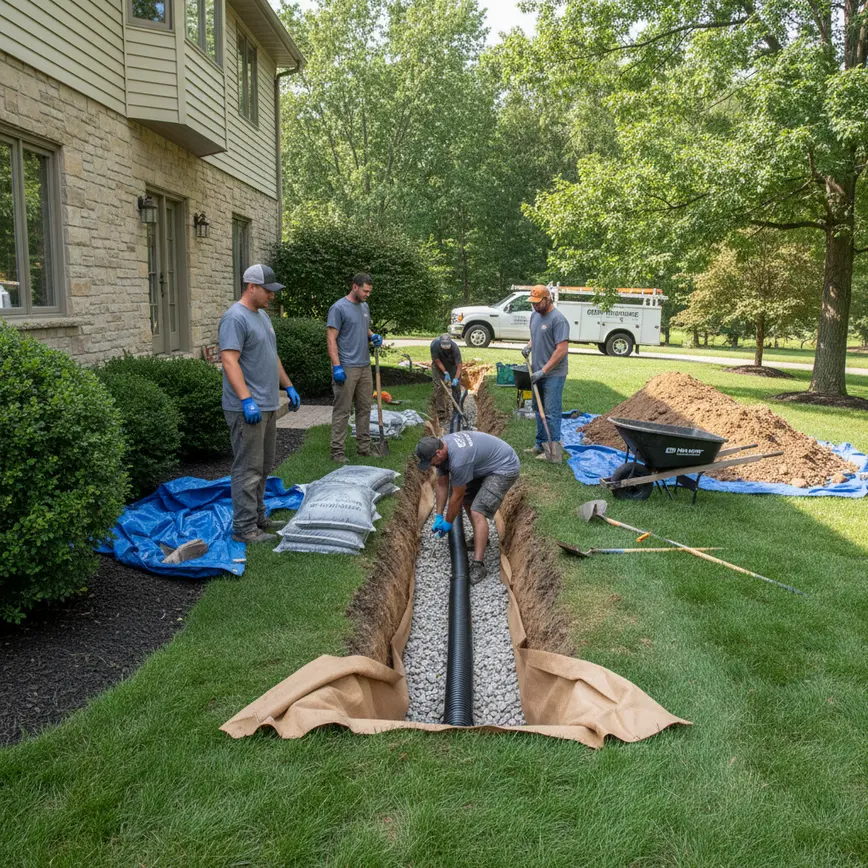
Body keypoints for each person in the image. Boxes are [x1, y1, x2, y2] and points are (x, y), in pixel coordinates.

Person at [219, 264, 301, 544]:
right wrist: (246, 400)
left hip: (266, 404)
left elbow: (271, 356)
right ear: (251, 286)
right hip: (247, 408)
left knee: (264, 466)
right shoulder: (235, 318)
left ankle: (258, 518)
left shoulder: (263, 316)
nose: (272, 296)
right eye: (268, 291)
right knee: (247, 469)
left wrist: (287, 385)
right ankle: (243, 529)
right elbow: (229, 360)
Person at [415, 431, 520, 585]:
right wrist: (438, 515)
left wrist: (448, 523)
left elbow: (457, 496)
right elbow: (442, 483)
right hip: (484, 465)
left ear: (438, 453)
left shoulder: (459, 461)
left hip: (504, 468)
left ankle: (479, 565)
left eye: (431, 462)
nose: (432, 465)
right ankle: (481, 538)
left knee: (477, 511)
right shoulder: (442, 448)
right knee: (468, 501)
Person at [327, 273, 383, 463]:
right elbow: (331, 338)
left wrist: (372, 335)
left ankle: (364, 448)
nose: (368, 294)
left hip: (364, 366)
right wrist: (337, 367)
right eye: (365, 291)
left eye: (370, 291)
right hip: (346, 367)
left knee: (365, 408)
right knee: (343, 411)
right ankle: (337, 452)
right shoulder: (338, 308)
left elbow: (362, 327)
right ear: (355, 287)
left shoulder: (364, 307)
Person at [521, 284, 569, 457]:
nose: (534, 306)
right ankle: (540, 444)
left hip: (553, 374)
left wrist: (545, 370)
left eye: (537, 303)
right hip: (537, 372)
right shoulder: (535, 316)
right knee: (537, 409)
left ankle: (553, 451)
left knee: (551, 412)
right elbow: (536, 337)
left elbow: (561, 349)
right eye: (532, 303)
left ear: (547, 299)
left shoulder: (558, 319)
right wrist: (528, 346)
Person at [430, 332, 463, 402]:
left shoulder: (455, 348)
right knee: (439, 387)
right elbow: (437, 360)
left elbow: (459, 365)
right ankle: (441, 410)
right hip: (438, 365)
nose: (446, 349)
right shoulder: (434, 345)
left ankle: (457, 408)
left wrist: (456, 378)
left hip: (452, 365)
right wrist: (445, 372)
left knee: (456, 387)